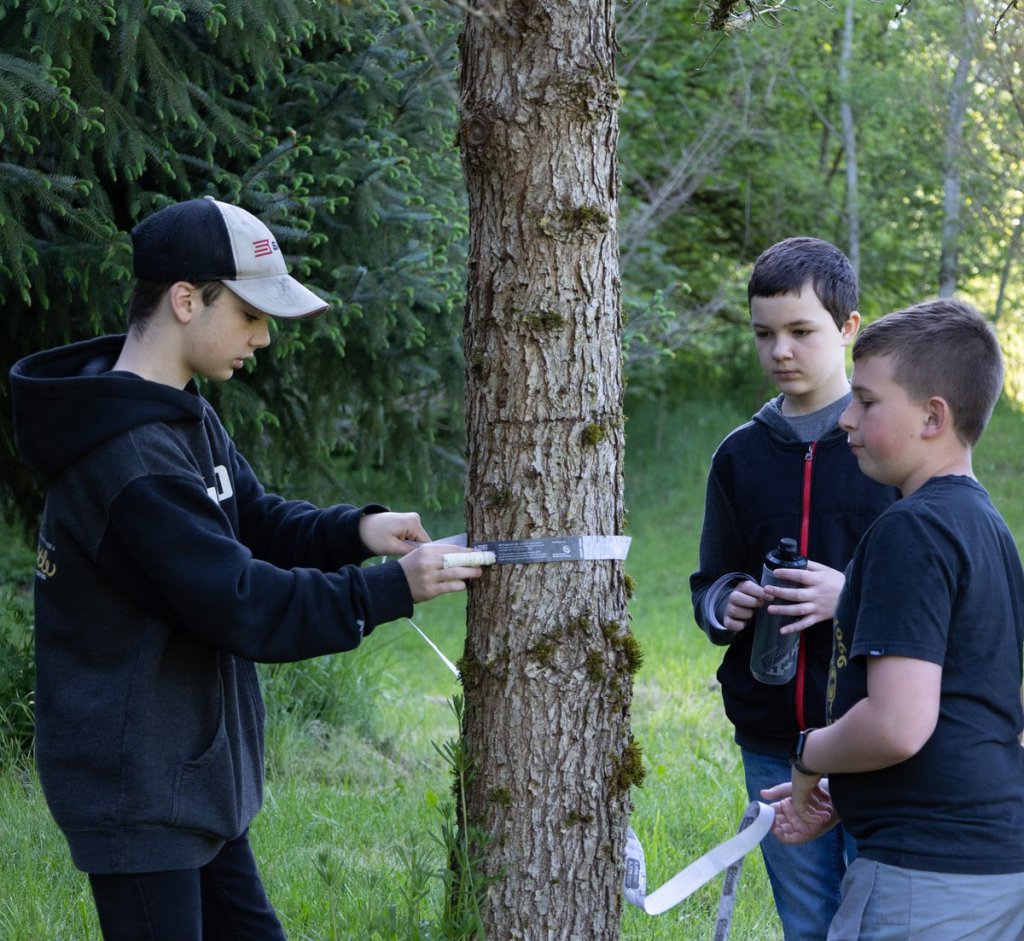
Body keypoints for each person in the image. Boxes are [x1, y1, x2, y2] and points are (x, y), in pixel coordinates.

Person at [8, 196, 483, 941]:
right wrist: (393, 587)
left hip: (194, 786)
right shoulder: (129, 462)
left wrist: (356, 530)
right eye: (251, 315)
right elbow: (243, 601)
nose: (263, 338)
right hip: (139, 799)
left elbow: (252, 521)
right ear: (187, 300)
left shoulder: (182, 411)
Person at [765, 298, 1024, 940]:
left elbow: (898, 724)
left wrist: (807, 757)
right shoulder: (988, 527)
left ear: (933, 416)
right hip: (994, 859)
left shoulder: (911, 530)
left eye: (868, 402)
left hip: (925, 878)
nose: (846, 420)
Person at [689, 237, 898, 940]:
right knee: (807, 921)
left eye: (801, 331)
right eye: (764, 334)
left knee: (877, 917)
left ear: (848, 329)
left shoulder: (888, 447)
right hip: (774, 740)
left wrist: (851, 596)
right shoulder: (739, 455)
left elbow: (929, 589)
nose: (781, 349)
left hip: (877, 734)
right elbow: (709, 577)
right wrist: (728, 599)